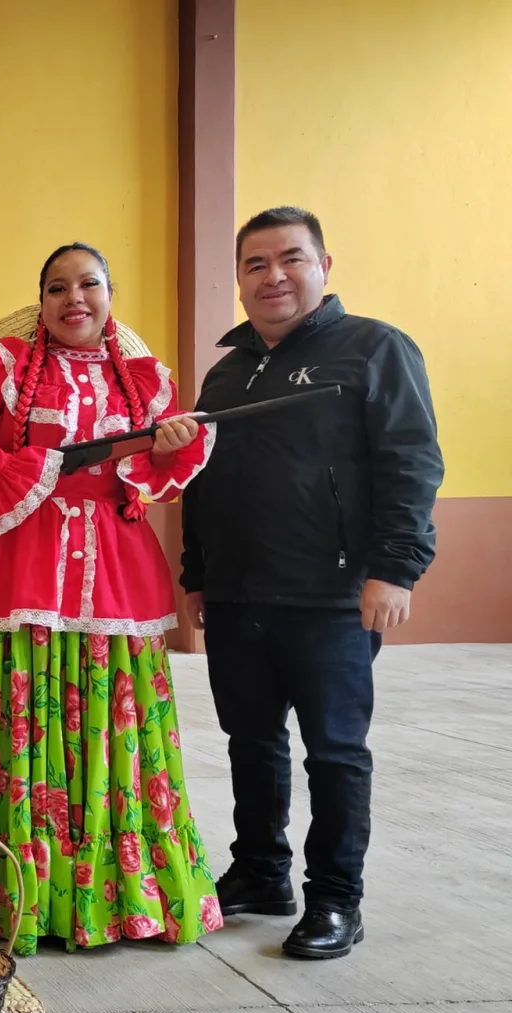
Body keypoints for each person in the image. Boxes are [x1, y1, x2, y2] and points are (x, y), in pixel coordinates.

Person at [0, 243, 223, 954]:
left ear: (109, 293)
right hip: (14, 565)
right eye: (57, 287)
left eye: (88, 284)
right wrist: (5, 466)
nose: (73, 298)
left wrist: (171, 446)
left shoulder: (145, 381)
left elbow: (161, 473)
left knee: (114, 715)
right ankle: (6, 884)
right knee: (8, 710)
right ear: (41, 300)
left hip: (113, 567)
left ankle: (112, 895)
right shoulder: (6, 367)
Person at [182, 206, 443, 960]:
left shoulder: (373, 349)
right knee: (250, 741)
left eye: (290, 259)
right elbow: (204, 481)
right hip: (237, 595)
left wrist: (395, 568)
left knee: (334, 752)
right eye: (255, 265)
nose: (273, 277)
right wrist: (198, 575)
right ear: (238, 281)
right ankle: (262, 872)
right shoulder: (228, 371)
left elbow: (412, 462)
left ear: (324, 266)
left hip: (333, 598)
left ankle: (336, 899)